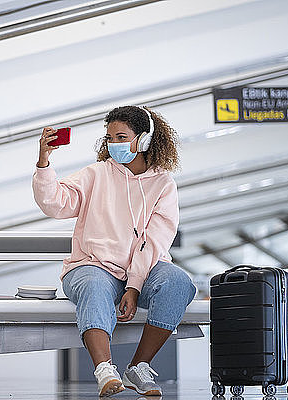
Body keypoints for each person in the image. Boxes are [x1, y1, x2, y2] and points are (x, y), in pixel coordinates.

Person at [31, 105, 197, 397]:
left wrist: (133, 287)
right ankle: (105, 370)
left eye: (122, 137)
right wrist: (44, 163)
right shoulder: (96, 174)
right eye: (110, 137)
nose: (114, 144)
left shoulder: (163, 184)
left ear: (144, 140)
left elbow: (154, 240)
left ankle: (139, 366)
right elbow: (55, 204)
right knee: (94, 286)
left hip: (143, 270)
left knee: (178, 282)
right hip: (91, 266)